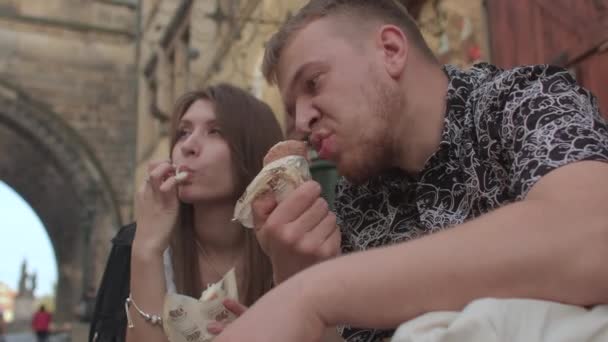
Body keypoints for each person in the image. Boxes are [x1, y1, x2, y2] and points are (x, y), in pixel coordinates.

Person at [214, 0, 608, 341]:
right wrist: (295, 287)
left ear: (390, 50)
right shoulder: (354, 199)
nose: (301, 121)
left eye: (313, 83)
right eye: (290, 108)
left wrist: (308, 292)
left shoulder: (521, 100)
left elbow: (592, 232)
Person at [89, 84, 284, 342]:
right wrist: (147, 250)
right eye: (183, 133)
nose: (188, 146)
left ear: (253, 150)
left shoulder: (286, 246)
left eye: (215, 131)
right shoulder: (136, 243)